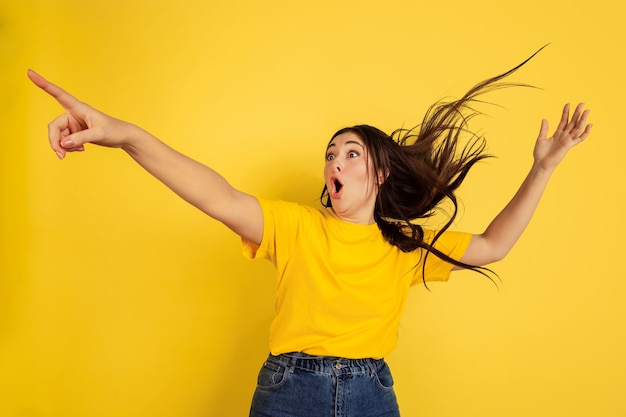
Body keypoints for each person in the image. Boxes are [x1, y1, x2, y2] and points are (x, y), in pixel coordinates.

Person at [27, 54, 592, 416]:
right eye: (330, 155)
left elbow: (494, 245)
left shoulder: (404, 246)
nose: (334, 164)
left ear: (379, 173)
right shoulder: (295, 228)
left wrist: (542, 168)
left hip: (374, 395)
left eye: (350, 153)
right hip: (289, 392)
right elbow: (215, 194)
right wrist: (123, 134)